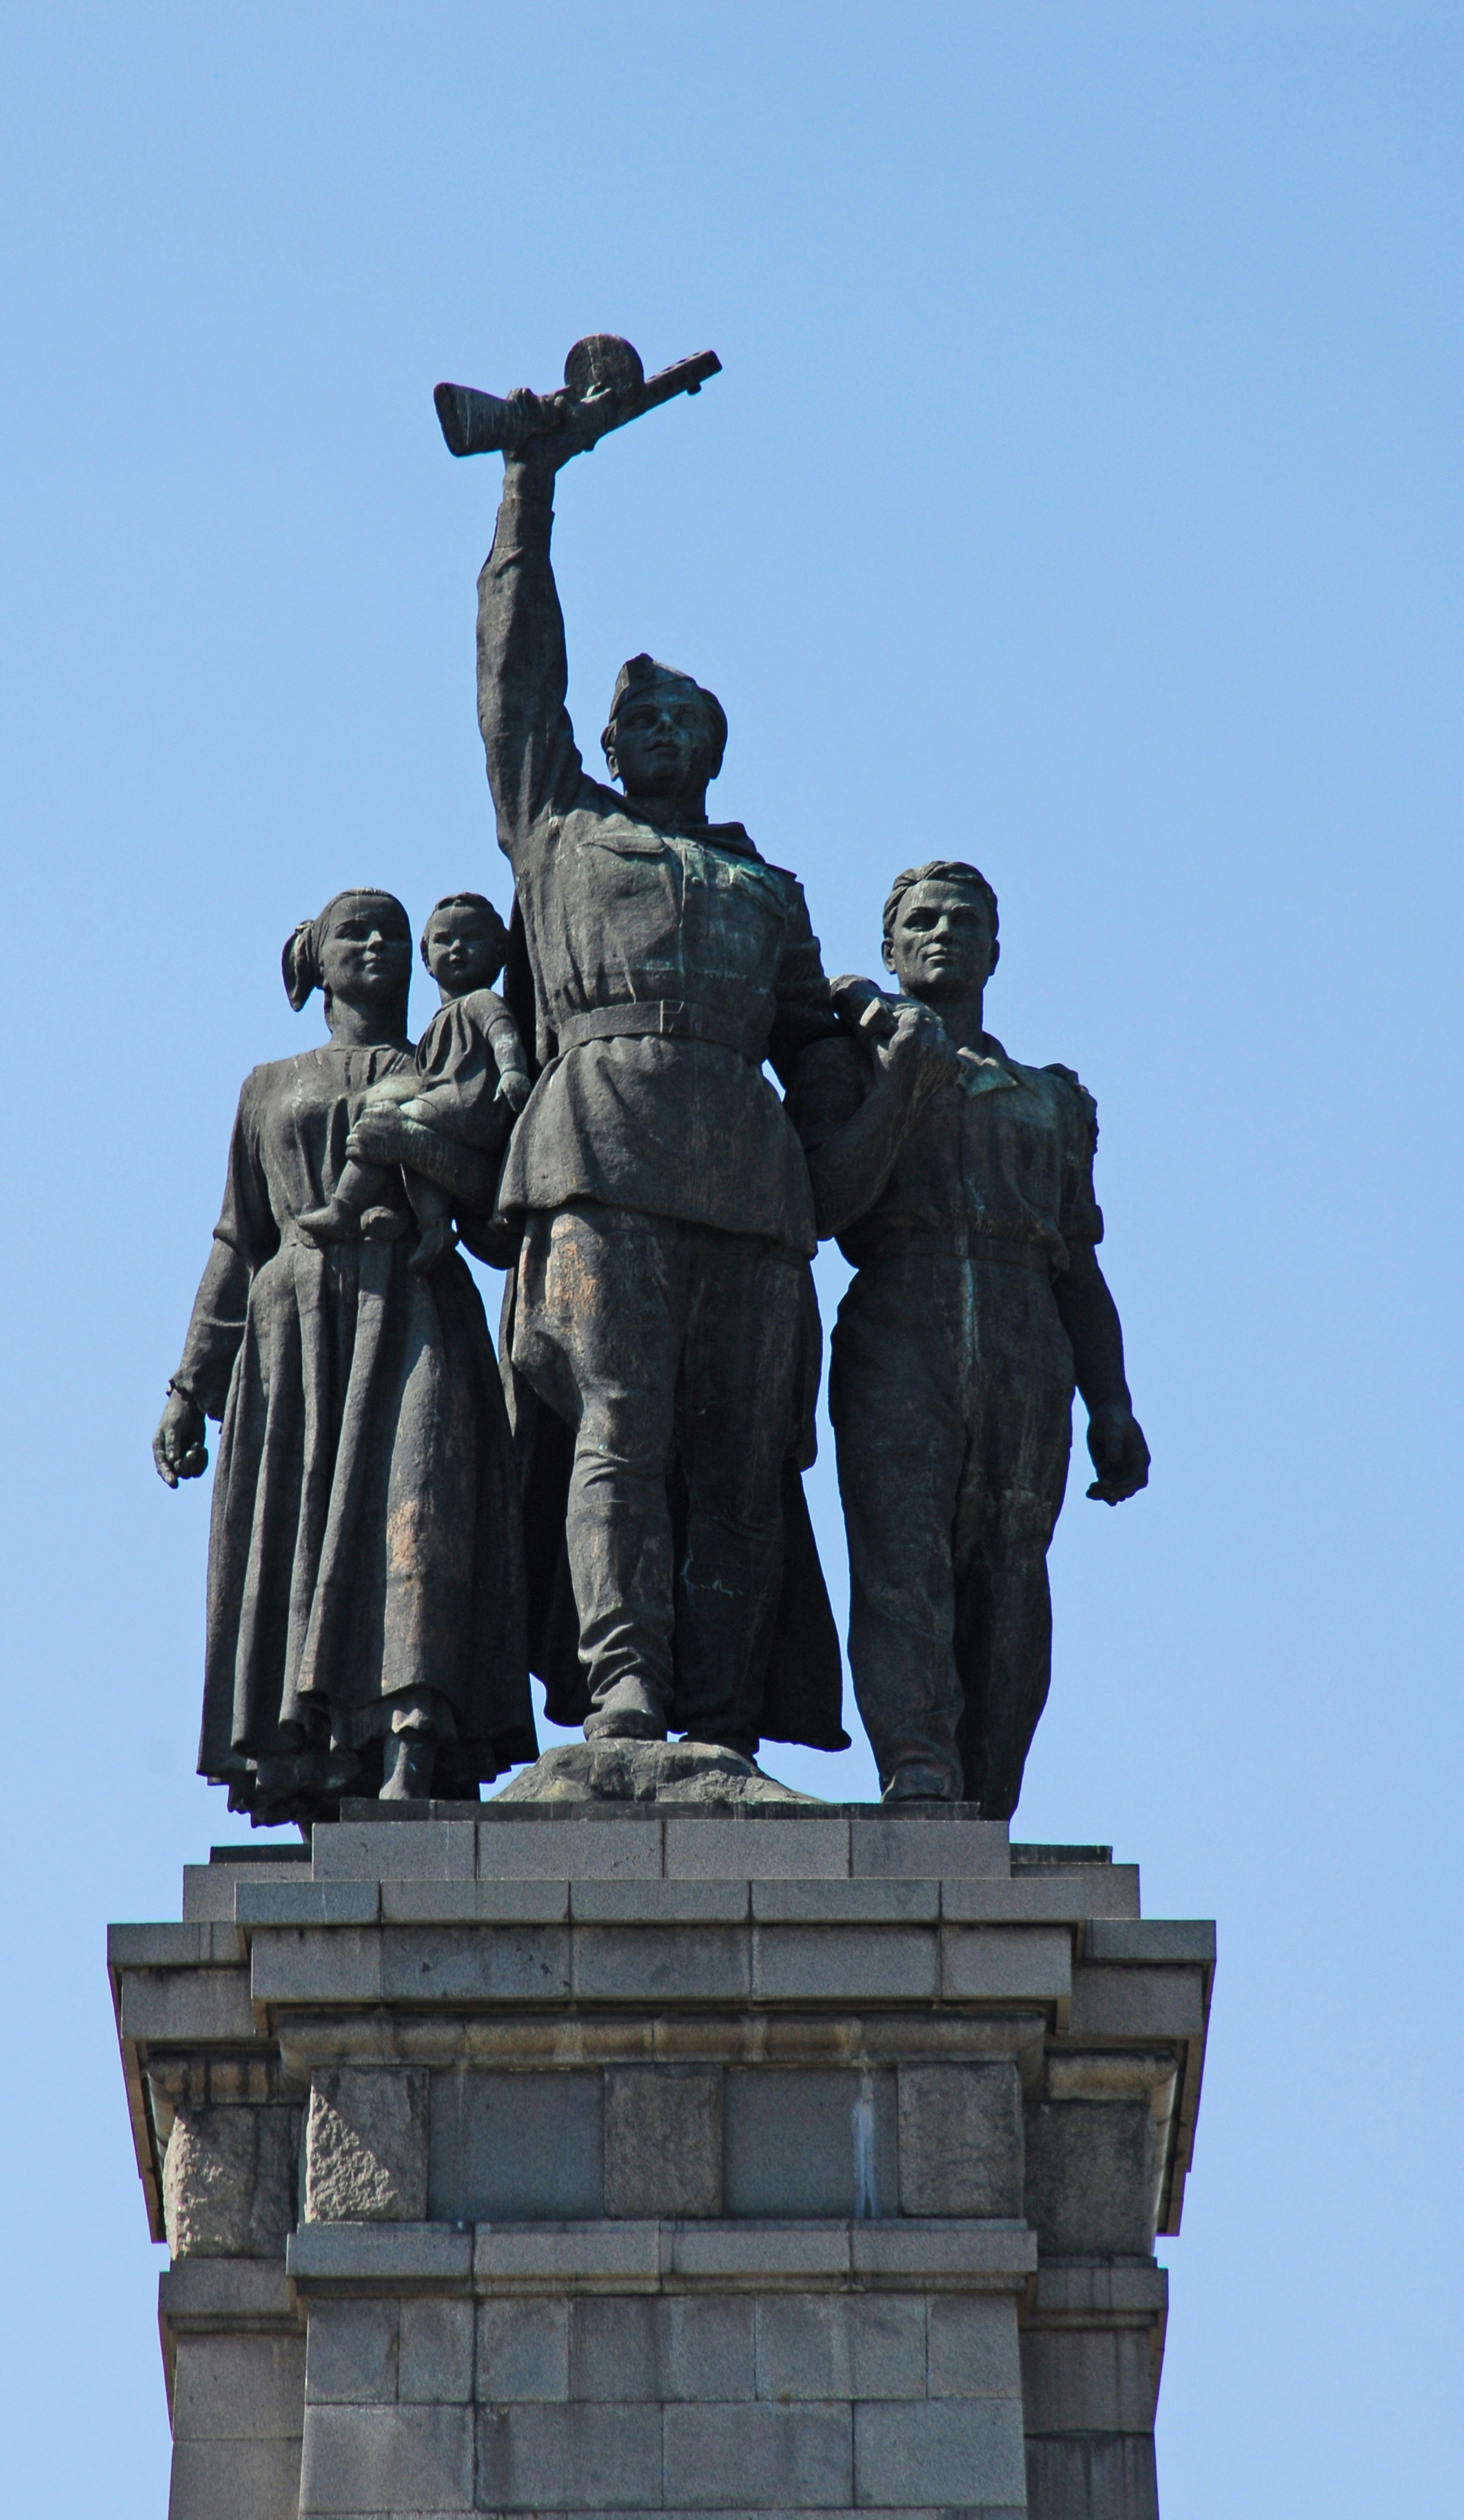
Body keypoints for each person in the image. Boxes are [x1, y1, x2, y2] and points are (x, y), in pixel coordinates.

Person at [469, 387, 845, 1760]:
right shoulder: (559, 829)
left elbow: (819, 1048)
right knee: (616, 1431)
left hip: (750, 1177)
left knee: (745, 1462)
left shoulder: (766, 887)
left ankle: (725, 1715)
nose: (663, 734)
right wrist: (530, 492)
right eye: (646, 723)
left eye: (689, 719)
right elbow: (516, 681)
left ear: (716, 746)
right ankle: (624, 1683)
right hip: (602, 1145)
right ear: (614, 750)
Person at [151, 886, 536, 1820]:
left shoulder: (445, 1058)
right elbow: (238, 1241)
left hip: (416, 1305)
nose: (376, 943)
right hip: (295, 1328)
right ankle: (309, 1758)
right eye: (354, 930)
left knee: (423, 1509)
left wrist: (418, 1141)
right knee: (304, 1528)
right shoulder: (268, 1086)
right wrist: (187, 1388)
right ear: (315, 959)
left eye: (393, 933)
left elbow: (496, 1210)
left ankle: (414, 1741)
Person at [789, 861, 1150, 1813]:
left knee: (1011, 1570)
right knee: (902, 1558)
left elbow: (1079, 1260)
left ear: (996, 947)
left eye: (965, 919)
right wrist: (901, 1069)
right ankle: (918, 1764)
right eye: (922, 919)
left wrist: (1110, 1400)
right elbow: (829, 1204)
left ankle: (987, 1795)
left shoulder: (1053, 1099)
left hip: (1027, 1327)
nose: (943, 931)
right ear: (890, 948)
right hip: (900, 1310)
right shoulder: (847, 1061)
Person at [294, 891, 531, 1269]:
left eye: (390, 934)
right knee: (405, 1153)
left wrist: (514, 1071)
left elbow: (502, 1032)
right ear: (427, 959)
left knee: (380, 1126)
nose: (457, 949)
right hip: (305, 1277)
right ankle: (435, 1227)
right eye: (354, 932)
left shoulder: (480, 1003)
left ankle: (344, 1208)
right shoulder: (439, 1027)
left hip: (461, 1102)